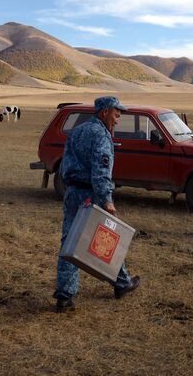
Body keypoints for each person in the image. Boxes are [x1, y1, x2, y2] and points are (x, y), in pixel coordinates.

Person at [53, 96, 141, 313]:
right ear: (104, 112)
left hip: (72, 191)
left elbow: (65, 162)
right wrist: (107, 200)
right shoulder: (101, 135)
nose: (118, 119)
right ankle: (121, 283)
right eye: (116, 114)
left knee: (70, 242)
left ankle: (64, 296)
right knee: (106, 239)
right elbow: (101, 172)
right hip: (90, 194)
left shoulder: (78, 130)